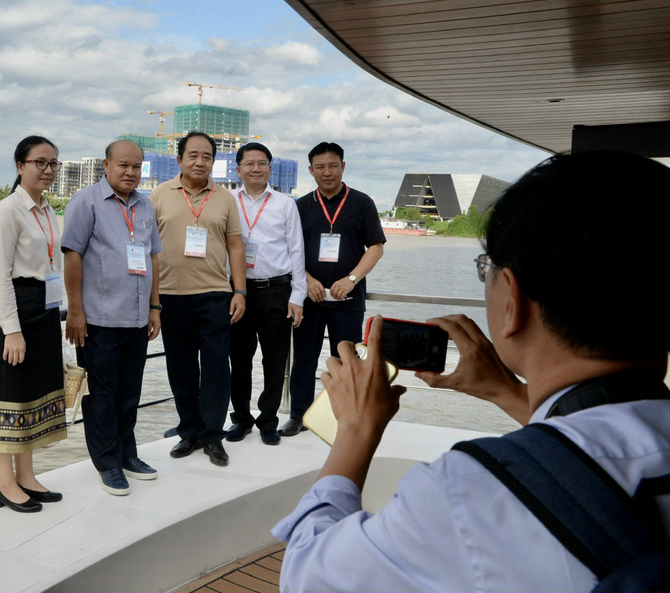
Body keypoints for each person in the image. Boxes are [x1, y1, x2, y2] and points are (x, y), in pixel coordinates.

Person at [274, 150, 670, 591]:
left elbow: (309, 577)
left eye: (488, 269)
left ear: (512, 300)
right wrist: (505, 391)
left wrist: (355, 430)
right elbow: (601, 441)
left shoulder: (470, 490)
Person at [62, 140, 163, 495]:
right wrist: (75, 311)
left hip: (136, 320)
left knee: (128, 394)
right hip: (98, 320)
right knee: (101, 396)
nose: (130, 172)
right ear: (106, 165)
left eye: (136, 166)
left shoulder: (145, 205)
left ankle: (127, 454)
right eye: (123, 165)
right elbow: (72, 256)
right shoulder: (86, 201)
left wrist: (155, 307)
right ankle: (107, 463)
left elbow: (151, 258)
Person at [0, 135, 67, 513]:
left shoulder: (46, 210)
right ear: (20, 166)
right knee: (8, 395)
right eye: (39, 163)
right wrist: (12, 329)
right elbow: (1, 277)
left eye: (53, 164)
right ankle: (4, 483)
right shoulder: (7, 212)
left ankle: (27, 476)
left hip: (44, 311)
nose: (48, 170)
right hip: (15, 310)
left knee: (31, 394)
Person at [150, 132, 247, 467]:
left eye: (206, 156)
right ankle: (189, 432)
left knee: (218, 367)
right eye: (193, 155)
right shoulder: (159, 195)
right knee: (180, 368)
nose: (199, 161)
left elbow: (236, 246)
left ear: (213, 162)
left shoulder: (225, 199)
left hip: (215, 295)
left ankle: (212, 437)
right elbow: (147, 249)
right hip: (170, 296)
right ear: (179, 159)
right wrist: (152, 303)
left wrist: (240, 290)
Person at [280, 142, 385, 437]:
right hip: (309, 298)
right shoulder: (299, 206)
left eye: (333, 165)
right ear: (311, 170)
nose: (327, 172)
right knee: (304, 359)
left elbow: (376, 248)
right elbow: (289, 251)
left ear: (343, 166)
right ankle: (299, 415)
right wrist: (308, 280)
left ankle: (345, 417)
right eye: (320, 167)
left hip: (347, 297)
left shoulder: (362, 203)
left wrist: (351, 279)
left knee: (348, 362)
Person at [225, 142, 306, 446]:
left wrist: (297, 296)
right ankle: (241, 420)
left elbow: (296, 250)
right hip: (238, 292)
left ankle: (268, 421)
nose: (256, 168)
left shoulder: (285, 204)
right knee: (239, 360)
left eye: (262, 163)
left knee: (274, 361)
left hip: (277, 291)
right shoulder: (227, 200)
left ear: (270, 168)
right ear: (239, 169)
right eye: (249, 163)